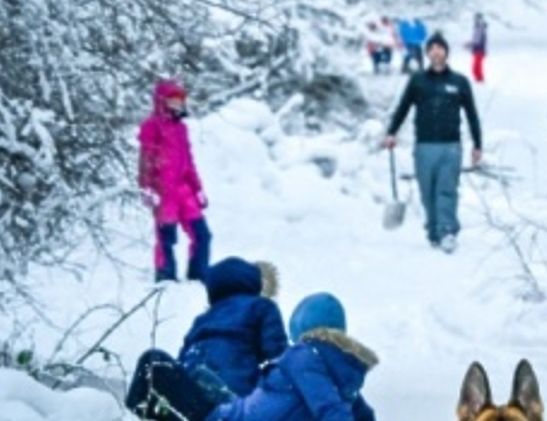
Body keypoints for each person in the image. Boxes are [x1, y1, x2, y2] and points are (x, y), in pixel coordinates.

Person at [126, 292, 378, 421]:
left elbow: (332, 412)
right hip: (236, 409)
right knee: (199, 376)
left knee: (153, 364)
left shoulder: (306, 356)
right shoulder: (341, 380)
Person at [384, 32, 482, 253]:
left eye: (441, 48)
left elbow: (472, 114)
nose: (437, 52)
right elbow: (403, 107)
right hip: (424, 146)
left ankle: (447, 231)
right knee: (427, 192)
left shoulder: (459, 82)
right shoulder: (418, 81)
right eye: (432, 48)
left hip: (451, 146)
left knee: (446, 190)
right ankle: (433, 231)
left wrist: (477, 144)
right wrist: (392, 132)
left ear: (446, 52)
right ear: (428, 53)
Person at [178, 257, 289, 397]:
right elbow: (277, 351)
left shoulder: (202, 319)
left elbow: (183, 354)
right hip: (236, 388)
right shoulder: (261, 306)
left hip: (192, 386)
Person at [139, 80, 211, 283]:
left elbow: (189, 160)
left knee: (202, 234)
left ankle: (198, 274)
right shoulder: (151, 126)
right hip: (163, 192)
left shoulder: (181, 128)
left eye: (180, 101)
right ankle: (165, 275)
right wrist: (147, 188)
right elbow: (146, 159)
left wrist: (198, 188)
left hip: (184, 190)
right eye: (173, 101)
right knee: (166, 238)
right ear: (163, 101)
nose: (178, 105)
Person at [465, 12, 488, 83]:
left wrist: (468, 44)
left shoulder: (480, 29)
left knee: (476, 68)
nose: (475, 21)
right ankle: (479, 81)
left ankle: (480, 82)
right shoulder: (479, 28)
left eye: (477, 19)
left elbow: (477, 41)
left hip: (479, 50)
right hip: (478, 50)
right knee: (476, 68)